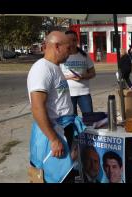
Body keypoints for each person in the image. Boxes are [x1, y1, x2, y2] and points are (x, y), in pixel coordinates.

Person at [27, 31, 86, 183]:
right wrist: (53, 139)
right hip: (53, 133)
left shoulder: (55, 67)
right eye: (68, 48)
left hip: (64, 129)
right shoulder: (42, 69)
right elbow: (37, 107)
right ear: (57, 47)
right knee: (54, 176)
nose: (71, 51)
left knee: (68, 174)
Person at [60, 30, 96, 116]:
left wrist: (84, 76)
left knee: (89, 119)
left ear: (77, 41)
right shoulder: (61, 56)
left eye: (74, 40)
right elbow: (57, 76)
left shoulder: (84, 55)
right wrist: (69, 77)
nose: (72, 43)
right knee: (71, 120)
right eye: (69, 41)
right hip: (68, 93)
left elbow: (93, 73)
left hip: (84, 93)